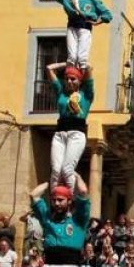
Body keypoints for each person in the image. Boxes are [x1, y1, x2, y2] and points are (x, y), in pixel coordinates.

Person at [29, 174, 92, 267]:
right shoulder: (47, 217)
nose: (56, 203)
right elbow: (33, 195)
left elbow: (83, 191)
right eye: (54, 200)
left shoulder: (78, 220)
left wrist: (76, 175)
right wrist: (51, 181)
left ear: (69, 201)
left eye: (60, 200)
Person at [51, 0, 112, 70]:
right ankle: (71, 75)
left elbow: (107, 15)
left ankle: (82, 74)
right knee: (71, 57)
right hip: (71, 27)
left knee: (82, 58)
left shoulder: (93, 1)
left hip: (85, 27)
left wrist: (97, 22)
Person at [46, 62, 94, 191]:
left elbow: (89, 67)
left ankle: (69, 199)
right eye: (67, 78)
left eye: (73, 79)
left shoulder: (86, 94)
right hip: (59, 134)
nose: (69, 81)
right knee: (56, 170)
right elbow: (49, 68)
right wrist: (66, 64)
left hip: (76, 134)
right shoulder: (61, 93)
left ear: (80, 81)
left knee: (67, 169)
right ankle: (55, 198)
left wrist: (79, 63)